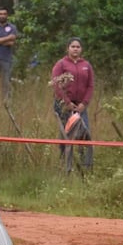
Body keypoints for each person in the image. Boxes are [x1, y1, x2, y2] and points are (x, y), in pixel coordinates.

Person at [51, 37, 95, 171]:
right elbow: (56, 85)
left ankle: (86, 167)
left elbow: (90, 85)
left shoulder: (86, 65)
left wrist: (84, 103)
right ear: (68, 48)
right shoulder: (61, 64)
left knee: (84, 134)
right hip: (64, 106)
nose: (75, 49)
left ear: (81, 49)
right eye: (73, 46)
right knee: (66, 134)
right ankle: (64, 165)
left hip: (81, 106)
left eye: (78, 47)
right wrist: (67, 103)